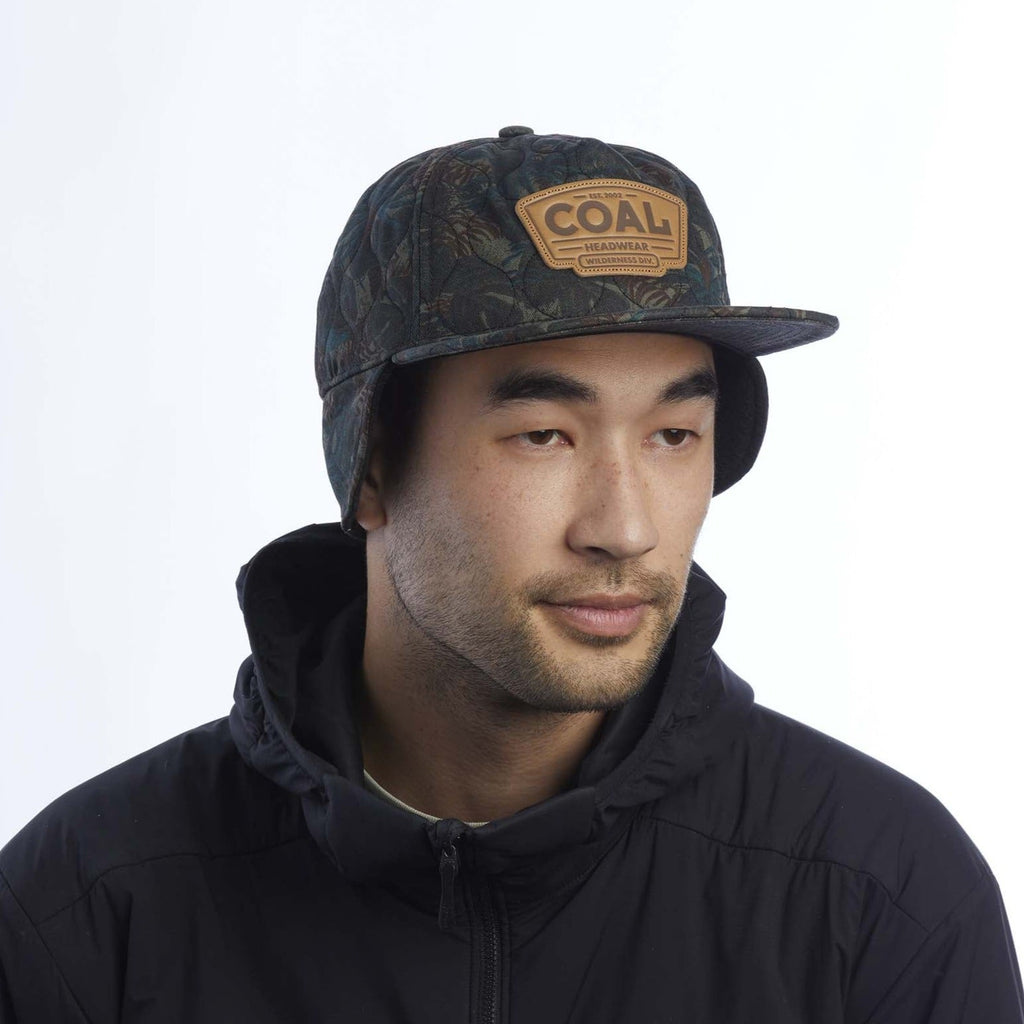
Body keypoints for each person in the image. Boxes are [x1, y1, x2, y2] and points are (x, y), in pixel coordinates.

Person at [1, 127, 1021, 1023]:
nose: (626, 528)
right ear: (369, 467)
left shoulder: (878, 896)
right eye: (544, 435)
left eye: (674, 434)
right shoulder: (89, 911)